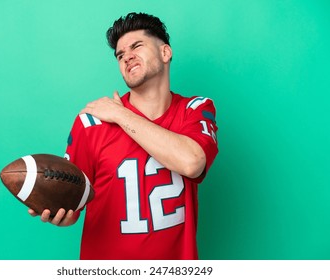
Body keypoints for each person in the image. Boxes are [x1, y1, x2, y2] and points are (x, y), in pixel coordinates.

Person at [29, 12, 218, 260]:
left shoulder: (195, 109)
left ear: (165, 53)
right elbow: (72, 208)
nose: (126, 56)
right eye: (120, 55)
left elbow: (192, 162)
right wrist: (59, 212)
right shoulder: (91, 123)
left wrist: (121, 116)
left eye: (137, 46)